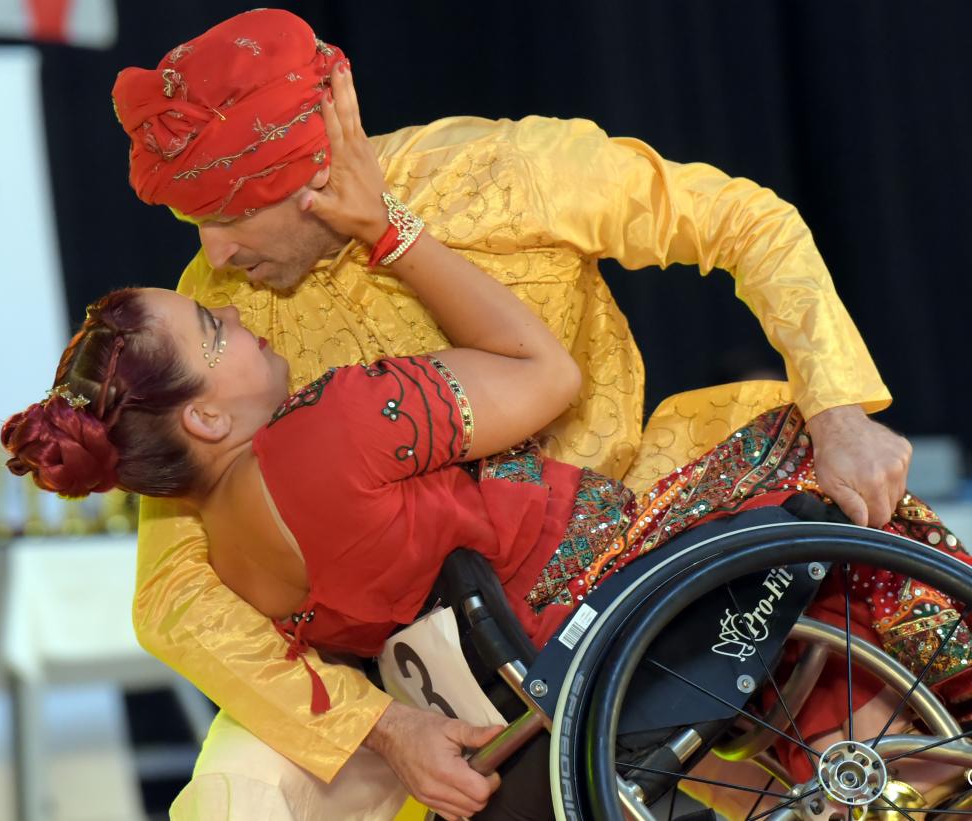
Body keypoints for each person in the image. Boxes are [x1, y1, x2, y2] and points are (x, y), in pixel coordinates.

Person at [105, 8, 917, 819]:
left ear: (314, 177)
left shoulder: (493, 172)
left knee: (864, 730)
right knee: (231, 798)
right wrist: (381, 726)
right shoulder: (215, 309)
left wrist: (838, 404)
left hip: (615, 554)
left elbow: (745, 220)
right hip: (391, 660)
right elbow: (173, 592)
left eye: (229, 214)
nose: (213, 255)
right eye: (194, 222)